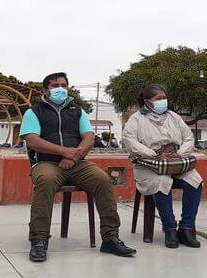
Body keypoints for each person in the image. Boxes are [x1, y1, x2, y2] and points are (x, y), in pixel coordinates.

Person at [21, 72, 136, 262]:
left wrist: (74, 157)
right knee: (46, 181)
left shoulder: (77, 110)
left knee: (102, 179)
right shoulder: (34, 112)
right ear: (45, 90)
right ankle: (39, 240)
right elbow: (32, 140)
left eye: (63, 85)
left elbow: (89, 138)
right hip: (46, 163)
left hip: (78, 163)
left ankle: (110, 238)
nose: (60, 89)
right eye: (55, 85)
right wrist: (65, 151)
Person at [122, 84, 203, 249]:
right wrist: (155, 154)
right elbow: (129, 140)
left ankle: (186, 228)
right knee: (161, 182)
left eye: (164, 98)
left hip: (175, 162)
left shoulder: (173, 116)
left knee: (195, 180)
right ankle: (170, 228)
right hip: (148, 166)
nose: (163, 101)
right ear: (147, 102)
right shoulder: (136, 118)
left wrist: (180, 153)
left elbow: (188, 137)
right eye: (158, 99)